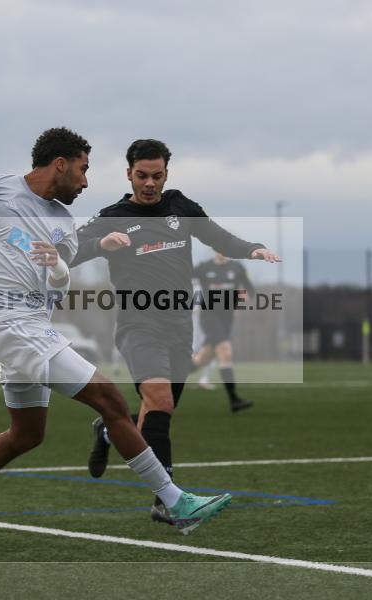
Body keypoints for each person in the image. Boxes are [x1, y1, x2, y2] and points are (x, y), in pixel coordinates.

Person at [0, 127, 231, 541]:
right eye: (82, 171)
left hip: (33, 324)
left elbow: (58, 284)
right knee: (111, 400)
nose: (86, 182)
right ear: (59, 164)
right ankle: (174, 501)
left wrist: (58, 266)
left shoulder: (63, 221)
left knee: (27, 434)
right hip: (5, 321)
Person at [71, 138, 279, 524]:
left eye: (157, 176)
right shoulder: (113, 215)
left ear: (166, 174)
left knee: (157, 410)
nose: (150, 183)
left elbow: (219, 237)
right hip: (138, 324)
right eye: (142, 175)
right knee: (161, 399)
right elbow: (72, 248)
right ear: (128, 173)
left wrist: (253, 248)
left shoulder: (181, 206)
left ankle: (109, 431)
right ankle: (166, 500)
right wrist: (101, 242)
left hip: (180, 325)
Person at [192, 251, 256, 412]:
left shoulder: (237, 267)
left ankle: (172, 375)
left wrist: (243, 297)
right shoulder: (204, 267)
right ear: (213, 249)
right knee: (225, 352)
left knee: (202, 360)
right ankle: (235, 400)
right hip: (209, 316)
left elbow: (249, 289)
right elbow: (184, 278)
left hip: (227, 318)